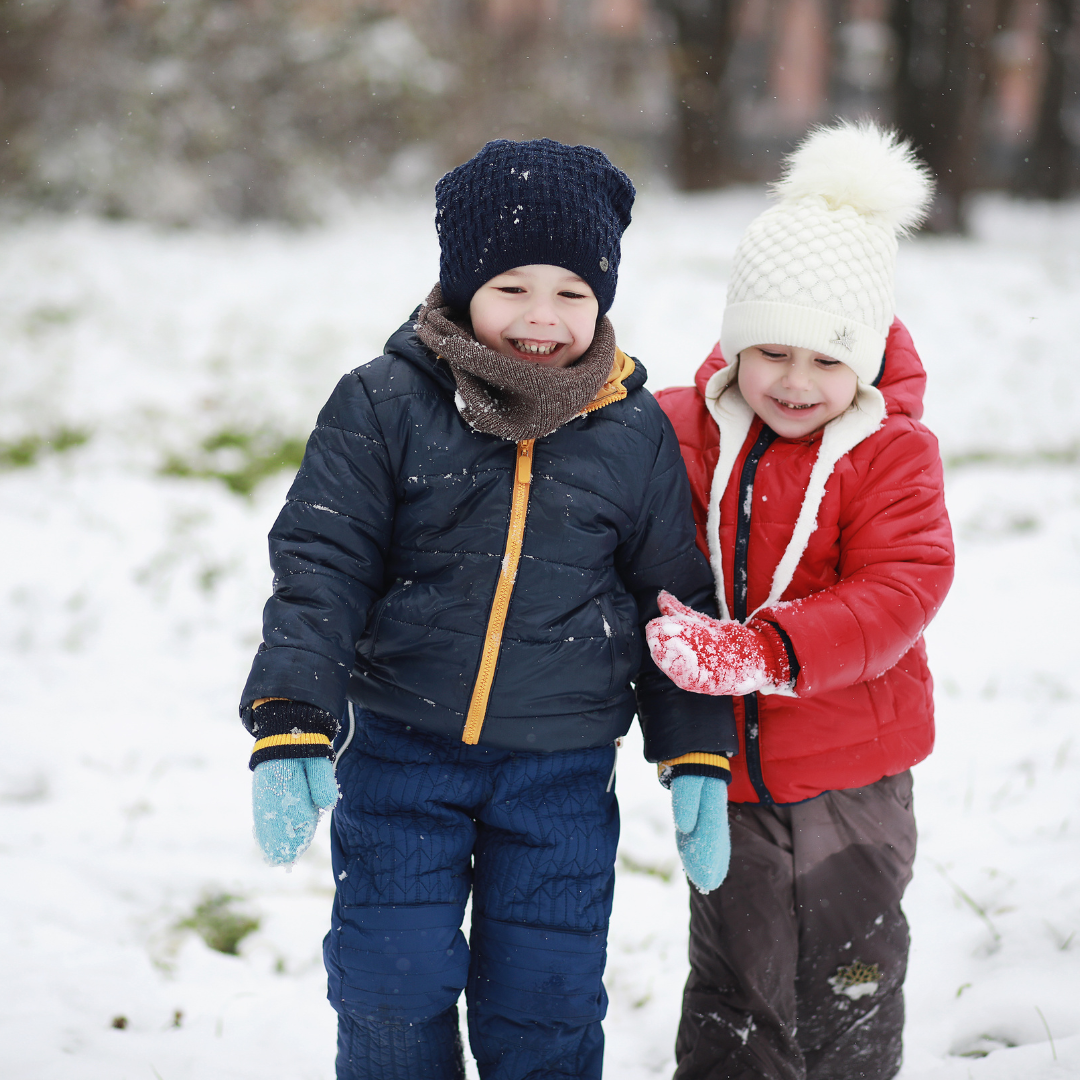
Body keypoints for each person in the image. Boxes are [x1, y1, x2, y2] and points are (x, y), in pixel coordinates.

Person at [239, 138, 737, 1080]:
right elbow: (321, 562)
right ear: (462, 284)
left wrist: (696, 748)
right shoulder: (384, 403)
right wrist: (293, 717)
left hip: (560, 771)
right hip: (401, 755)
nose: (542, 318)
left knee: (545, 995)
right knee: (391, 979)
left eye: (572, 292)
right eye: (512, 287)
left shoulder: (632, 429)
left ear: (604, 300)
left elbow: (673, 598)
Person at [645, 121, 955, 1080]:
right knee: (737, 976)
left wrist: (771, 652)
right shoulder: (678, 431)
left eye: (827, 360)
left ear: (863, 361)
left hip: (856, 765)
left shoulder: (892, 451)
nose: (796, 382)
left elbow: (906, 584)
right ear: (735, 342)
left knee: (850, 971)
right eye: (771, 352)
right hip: (723, 768)